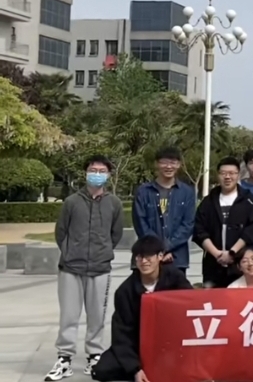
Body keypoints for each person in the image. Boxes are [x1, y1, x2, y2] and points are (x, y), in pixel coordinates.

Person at [47, 156, 124, 381]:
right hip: (71, 268)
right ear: (86, 172)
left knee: (97, 316)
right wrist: (70, 252)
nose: (97, 174)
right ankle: (64, 358)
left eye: (101, 170)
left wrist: (103, 251)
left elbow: (116, 234)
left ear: (108, 175)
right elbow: (61, 232)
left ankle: (94, 355)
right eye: (93, 170)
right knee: (69, 316)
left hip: (100, 268)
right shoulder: (72, 202)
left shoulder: (114, 203)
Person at [90, 236, 192, 382]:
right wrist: (135, 369)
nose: (144, 261)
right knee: (101, 370)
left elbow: (191, 305)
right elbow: (122, 334)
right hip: (138, 343)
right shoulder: (125, 291)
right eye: (139, 257)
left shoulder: (175, 278)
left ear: (160, 256)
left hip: (170, 342)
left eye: (148, 256)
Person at [193, 157, 253, 288]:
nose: (227, 177)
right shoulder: (208, 201)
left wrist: (232, 253)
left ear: (238, 175)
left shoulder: (249, 200)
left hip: (241, 263)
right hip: (213, 264)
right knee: (213, 298)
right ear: (218, 175)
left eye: (232, 173)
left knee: (240, 298)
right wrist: (217, 254)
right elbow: (199, 230)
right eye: (223, 173)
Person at [132, 146, 196, 275]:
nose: (169, 166)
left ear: (179, 165)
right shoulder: (143, 192)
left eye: (173, 163)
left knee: (176, 289)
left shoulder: (187, 192)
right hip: (147, 257)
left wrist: (166, 248)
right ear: (156, 164)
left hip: (177, 259)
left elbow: (188, 224)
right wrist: (158, 250)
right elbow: (140, 223)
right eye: (164, 162)